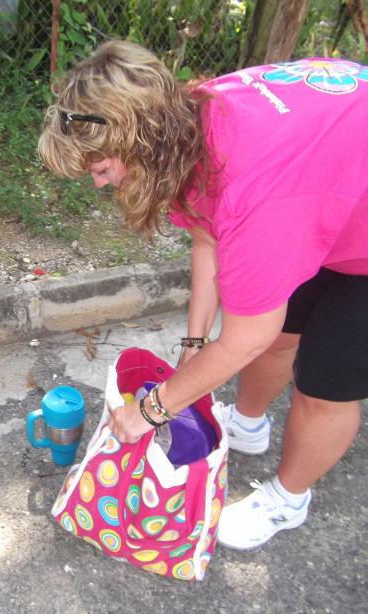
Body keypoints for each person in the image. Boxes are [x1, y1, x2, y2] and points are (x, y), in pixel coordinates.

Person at [38, 40, 368, 551]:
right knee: (282, 332)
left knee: (326, 383)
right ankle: (249, 426)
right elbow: (206, 236)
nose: (100, 184)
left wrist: (152, 411)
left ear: (139, 144)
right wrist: (192, 347)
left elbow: (244, 340)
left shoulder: (253, 195)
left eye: (101, 170)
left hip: (325, 201)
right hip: (330, 189)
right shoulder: (187, 121)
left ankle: (289, 498)